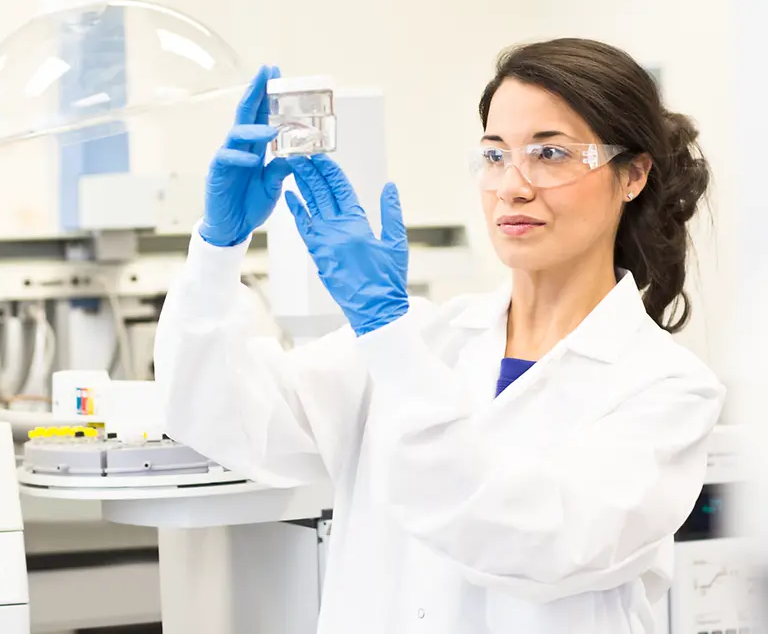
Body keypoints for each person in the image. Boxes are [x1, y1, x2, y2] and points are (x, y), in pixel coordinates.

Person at [153, 39, 725, 633]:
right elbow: (219, 415)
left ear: (632, 175)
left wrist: (387, 334)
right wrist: (217, 249)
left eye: (550, 153)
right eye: (495, 155)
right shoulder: (429, 338)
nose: (513, 186)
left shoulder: (667, 391)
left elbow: (529, 542)